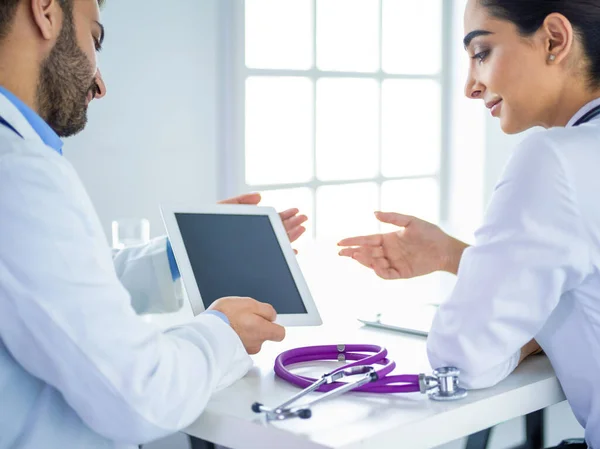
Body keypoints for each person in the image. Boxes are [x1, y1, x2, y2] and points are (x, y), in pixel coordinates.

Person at [0, 0, 308, 448]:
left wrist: (178, 255)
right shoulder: (20, 172)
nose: (100, 84)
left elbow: (47, 293)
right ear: (45, 11)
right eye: (96, 39)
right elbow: (142, 397)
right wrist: (222, 331)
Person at [338, 1, 600, 447]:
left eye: (481, 53)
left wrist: (530, 333)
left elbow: (463, 361)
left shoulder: (554, 158)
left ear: (554, 39)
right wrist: (452, 255)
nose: (470, 87)